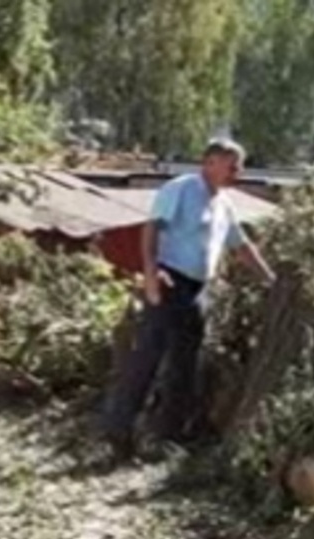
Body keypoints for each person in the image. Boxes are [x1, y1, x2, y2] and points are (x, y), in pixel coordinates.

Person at [102, 138, 275, 457]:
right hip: (169, 280)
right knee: (149, 356)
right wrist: (151, 275)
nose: (238, 171)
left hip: (198, 289)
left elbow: (242, 247)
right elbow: (152, 229)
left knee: (185, 364)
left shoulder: (224, 203)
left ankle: (167, 436)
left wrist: (272, 280)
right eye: (232, 164)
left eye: (240, 165)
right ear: (209, 162)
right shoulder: (182, 188)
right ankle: (118, 431)